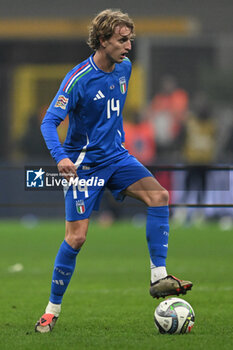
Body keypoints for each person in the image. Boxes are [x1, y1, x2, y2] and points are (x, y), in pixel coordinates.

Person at [35, 9, 192, 333]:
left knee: (159, 196)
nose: (129, 47)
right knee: (76, 238)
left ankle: (158, 277)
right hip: (85, 166)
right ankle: (51, 311)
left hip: (117, 158)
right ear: (103, 40)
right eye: (122, 40)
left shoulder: (125, 68)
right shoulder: (78, 79)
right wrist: (61, 157)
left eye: (130, 40)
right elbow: (49, 122)